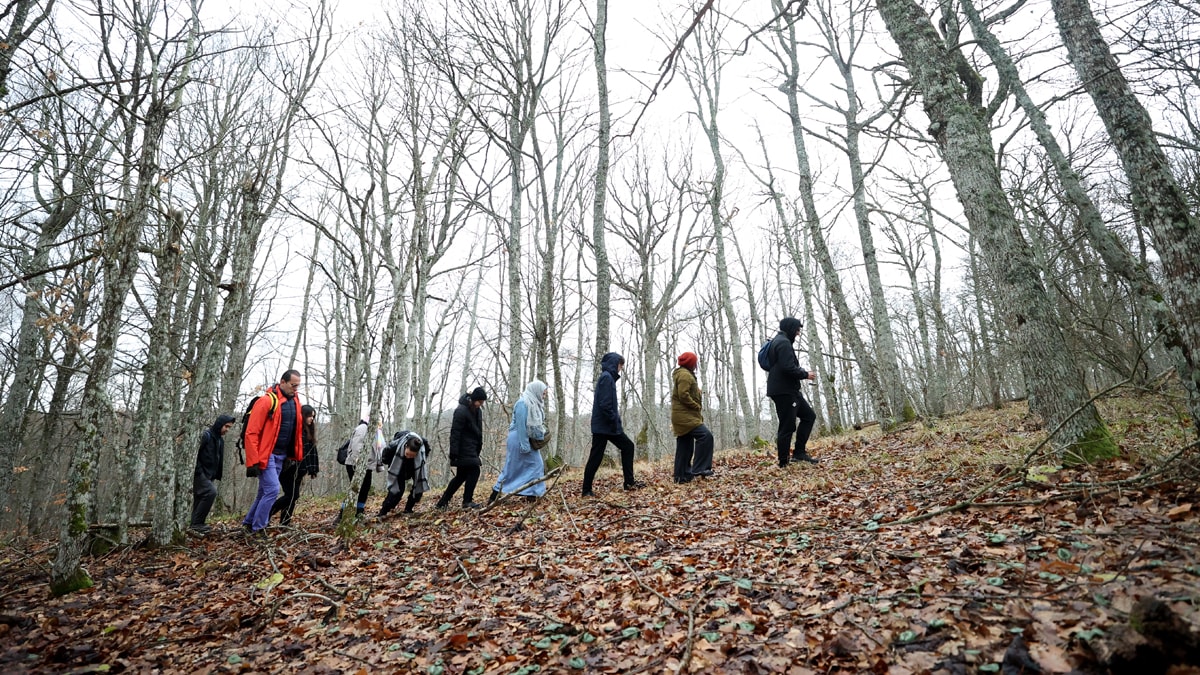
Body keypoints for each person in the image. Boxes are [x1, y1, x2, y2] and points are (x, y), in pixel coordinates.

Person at [242, 369, 304, 534]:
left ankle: (249, 523)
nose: (295, 389)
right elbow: (251, 433)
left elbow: (296, 431)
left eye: (298, 386)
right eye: (293, 385)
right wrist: (253, 461)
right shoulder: (266, 401)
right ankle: (258, 528)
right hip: (266, 455)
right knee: (272, 490)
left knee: (264, 491)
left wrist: (292, 455)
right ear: (282, 382)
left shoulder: (295, 402)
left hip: (281, 456)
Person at [581, 352, 644, 496]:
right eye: (620, 365)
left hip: (606, 425)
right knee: (599, 456)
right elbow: (605, 404)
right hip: (605, 426)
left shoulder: (608, 378)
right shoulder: (606, 378)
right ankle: (586, 490)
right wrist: (613, 420)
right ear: (615, 364)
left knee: (626, 447)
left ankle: (629, 483)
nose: (621, 369)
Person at [767, 317, 819, 467]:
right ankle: (783, 461)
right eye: (797, 330)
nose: (798, 333)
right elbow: (787, 367)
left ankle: (799, 453)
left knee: (809, 416)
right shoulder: (783, 343)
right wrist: (805, 374)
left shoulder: (779, 341)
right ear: (790, 328)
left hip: (789, 390)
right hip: (784, 391)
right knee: (787, 426)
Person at [489, 380, 549, 503]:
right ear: (536, 391)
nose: (544, 396)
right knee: (512, 468)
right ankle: (494, 495)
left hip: (526, 438)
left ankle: (532, 495)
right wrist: (524, 445)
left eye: (545, 394)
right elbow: (521, 425)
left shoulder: (535, 404)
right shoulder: (523, 403)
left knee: (535, 465)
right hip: (519, 439)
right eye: (543, 393)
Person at [436, 387, 488, 510]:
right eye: (479, 401)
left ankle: (442, 502)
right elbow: (455, 432)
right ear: (473, 399)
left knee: (461, 476)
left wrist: (478, 446)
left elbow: (479, 431)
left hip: (472, 447)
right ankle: (467, 501)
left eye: (482, 402)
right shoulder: (461, 411)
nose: (480, 404)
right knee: (474, 471)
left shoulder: (478, 411)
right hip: (462, 448)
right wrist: (454, 452)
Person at [271, 404, 319, 526]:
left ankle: (285, 522)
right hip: (288, 468)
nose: (311, 419)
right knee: (292, 495)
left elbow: (311, 451)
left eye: (313, 417)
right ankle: (267, 513)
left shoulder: (308, 431)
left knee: (292, 496)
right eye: (309, 416)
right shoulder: (295, 430)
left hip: (299, 469)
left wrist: (313, 469)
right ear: (303, 416)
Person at [671, 352, 714, 483]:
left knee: (685, 444)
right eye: (695, 362)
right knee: (706, 436)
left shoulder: (684, 374)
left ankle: (681, 476)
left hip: (683, 415)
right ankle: (700, 468)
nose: (696, 365)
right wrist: (696, 405)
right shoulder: (684, 375)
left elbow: (686, 392)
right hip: (685, 416)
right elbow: (683, 395)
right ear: (691, 363)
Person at [189, 414, 235, 534]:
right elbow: (194, 454)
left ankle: (195, 525)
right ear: (220, 424)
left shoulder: (220, 440)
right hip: (199, 473)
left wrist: (215, 474)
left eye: (229, 427)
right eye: (226, 426)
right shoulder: (206, 435)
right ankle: (197, 524)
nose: (227, 430)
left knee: (200, 498)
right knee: (210, 492)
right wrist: (198, 471)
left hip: (209, 475)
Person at [378, 431, 430, 517]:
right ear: (405, 446)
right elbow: (384, 457)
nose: (409, 457)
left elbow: (426, 454)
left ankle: (408, 509)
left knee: (418, 489)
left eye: (412, 455)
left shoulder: (423, 448)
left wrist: (417, 461)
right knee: (397, 492)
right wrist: (393, 463)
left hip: (415, 466)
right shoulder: (394, 446)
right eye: (407, 454)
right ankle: (383, 512)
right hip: (398, 465)